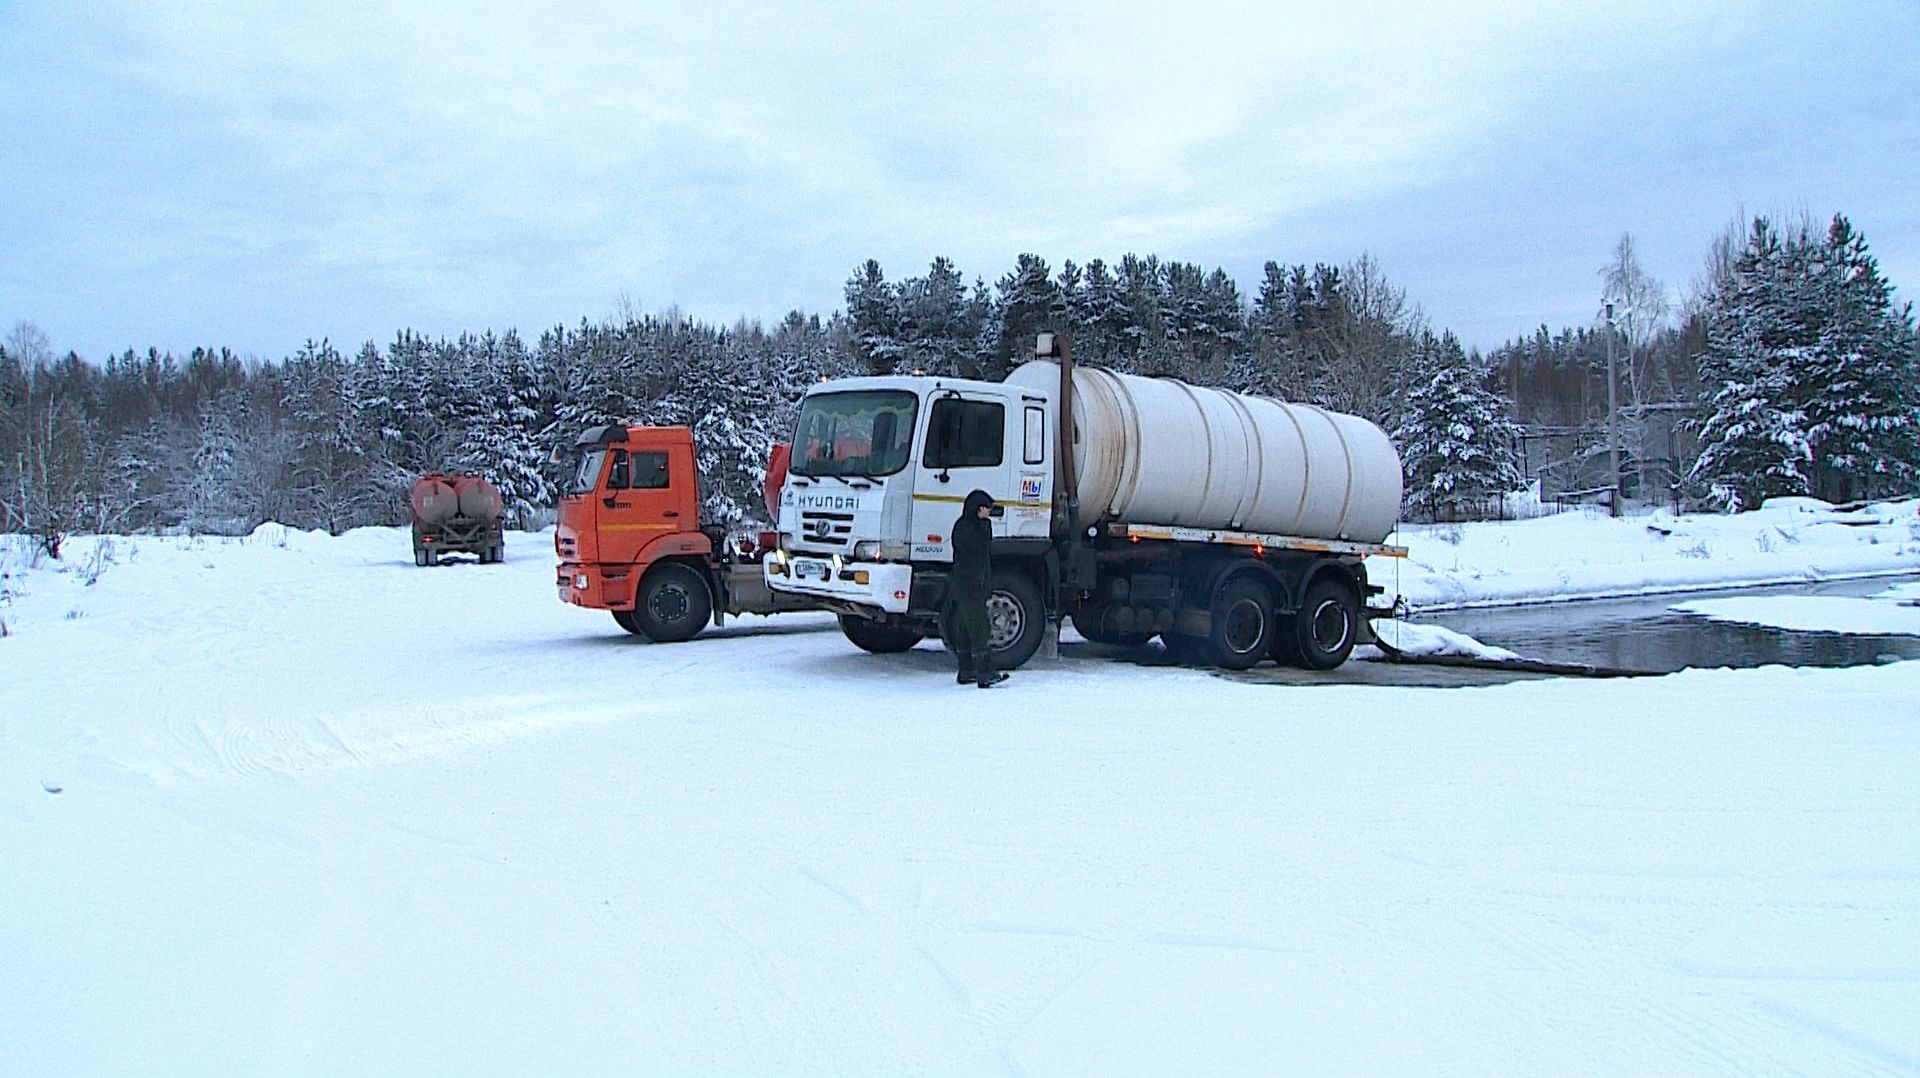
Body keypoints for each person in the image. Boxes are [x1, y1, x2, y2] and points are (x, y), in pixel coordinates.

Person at [948, 489, 1008, 687]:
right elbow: (978, 548)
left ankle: (966, 671)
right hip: (969, 584)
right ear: (977, 509)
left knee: (965, 628)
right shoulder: (966, 528)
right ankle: (983, 672)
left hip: (972, 584)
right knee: (979, 628)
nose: (988, 513)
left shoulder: (973, 526)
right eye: (985, 509)